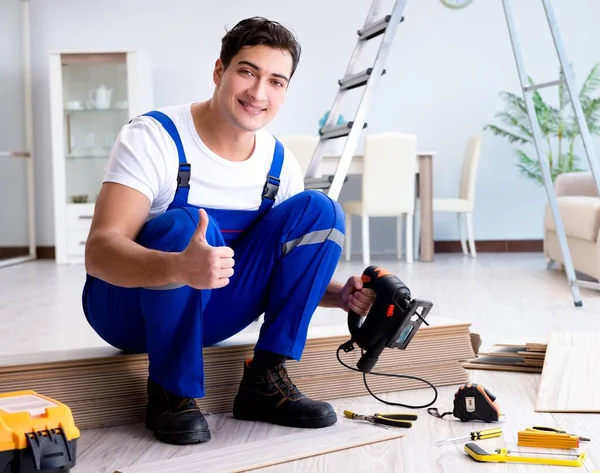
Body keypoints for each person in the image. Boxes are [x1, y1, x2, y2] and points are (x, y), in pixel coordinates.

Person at [82, 16, 376, 446]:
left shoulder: (278, 162)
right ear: (219, 71)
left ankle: (265, 379)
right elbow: (100, 252)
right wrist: (179, 268)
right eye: (247, 72)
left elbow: (270, 270)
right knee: (183, 226)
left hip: (212, 311)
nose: (259, 93)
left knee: (321, 210)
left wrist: (339, 295)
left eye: (276, 81)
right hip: (126, 312)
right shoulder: (156, 137)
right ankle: (170, 392)